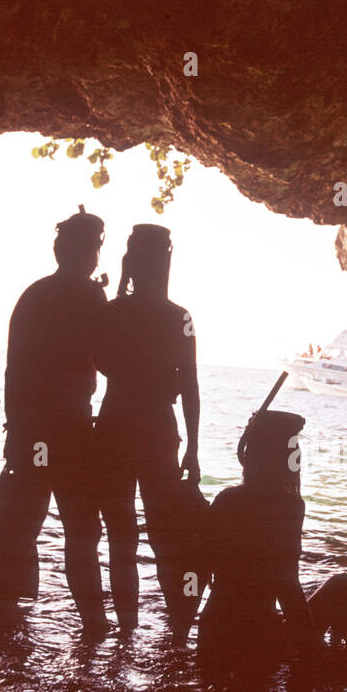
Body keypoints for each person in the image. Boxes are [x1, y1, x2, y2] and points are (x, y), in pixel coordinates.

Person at [0, 207, 108, 633]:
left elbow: (15, 371)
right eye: (94, 247)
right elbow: (108, 359)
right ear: (87, 253)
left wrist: (16, 429)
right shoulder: (89, 296)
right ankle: (95, 625)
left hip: (33, 429)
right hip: (70, 430)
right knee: (82, 531)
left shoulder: (34, 295)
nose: (94, 256)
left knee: (15, 523)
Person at [95, 223, 205, 631]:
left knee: (120, 535)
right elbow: (190, 384)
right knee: (165, 535)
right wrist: (193, 447)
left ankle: (126, 630)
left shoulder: (111, 312)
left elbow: (99, 365)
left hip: (114, 426)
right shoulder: (180, 317)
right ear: (167, 263)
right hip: (159, 429)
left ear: (130, 262)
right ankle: (176, 631)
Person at [196, 408, 347, 673]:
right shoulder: (289, 506)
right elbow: (288, 588)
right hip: (258, 642)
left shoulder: (226, 500)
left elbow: (200, 567)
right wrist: (314, 657)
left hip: (213, 638)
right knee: (343, 585)